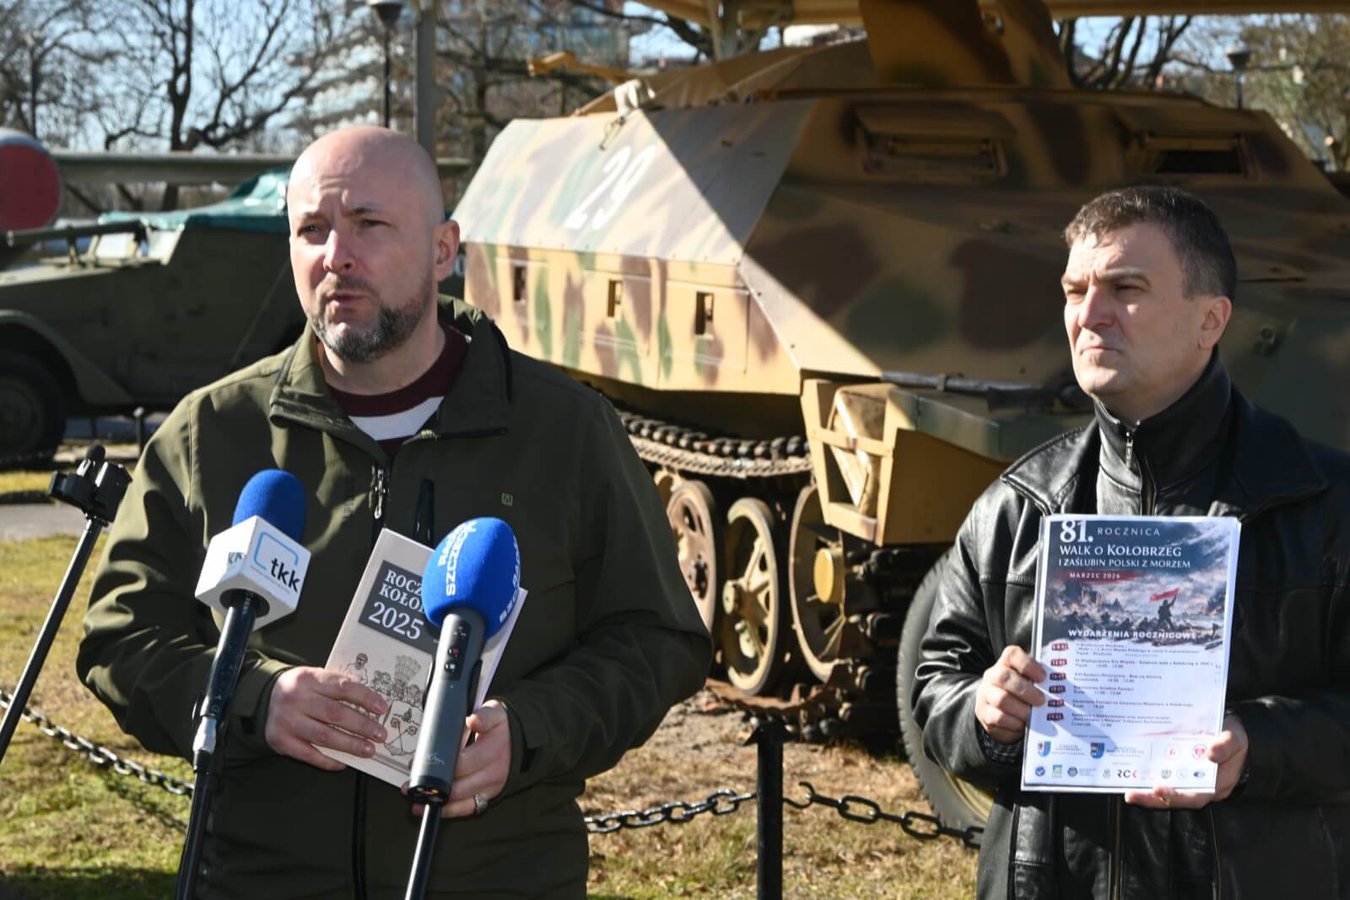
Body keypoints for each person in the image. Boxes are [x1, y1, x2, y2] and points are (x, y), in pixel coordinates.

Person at [77, 126, 711, 899]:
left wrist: (529, 732)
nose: (336, 255)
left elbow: (656, 639)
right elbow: (122, 636)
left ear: (443, 251)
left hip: (501, 879)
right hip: (264, 879)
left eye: (368, 224)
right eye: (311, 229)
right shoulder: (211, 432)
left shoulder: (566, 431)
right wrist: (255, 699)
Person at [911, 185, 1350, 898]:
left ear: (1210, 320)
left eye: (1126, 288)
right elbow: (937, 684)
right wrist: (985, 715)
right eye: (1074, 290)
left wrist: (1259, 746)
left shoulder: (1324, 504)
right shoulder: (1016, 507)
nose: (1089, 315)